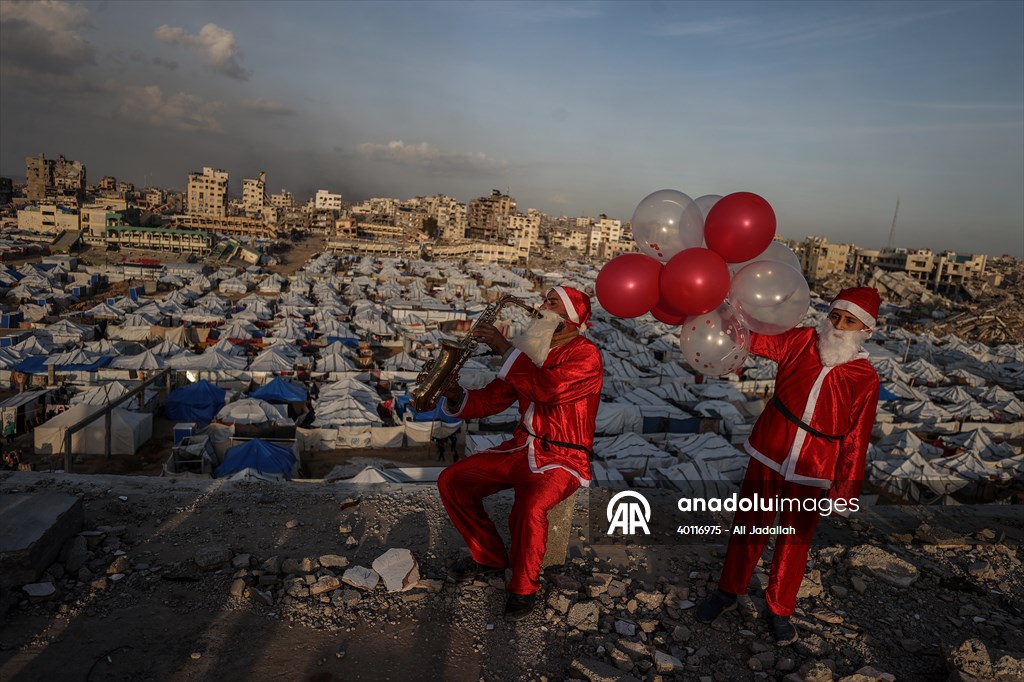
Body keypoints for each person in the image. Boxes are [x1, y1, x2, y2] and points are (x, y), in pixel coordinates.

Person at [695, 287, 881, 646]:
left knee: (795, 541)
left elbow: (858, 436)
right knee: (750, 525)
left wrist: (844, 490)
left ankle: (780, 608)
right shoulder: (800, 342)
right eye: (835, 316)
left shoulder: (865, 377)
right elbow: (758, 340)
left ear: (866, 329)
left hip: (814, 465)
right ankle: (728, 591)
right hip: (771, 449)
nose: (839, 326)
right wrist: (723, 312)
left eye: (849, 321)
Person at [437, 286, 603, 621]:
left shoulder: (585, 355)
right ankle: (489, 557)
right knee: (453, 480)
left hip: (562, 458)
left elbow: (548, 390)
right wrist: (455, 394)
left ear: (570, 318)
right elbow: (492, 400)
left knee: (530, 506)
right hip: (521, 448)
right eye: (544, 300)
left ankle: (524, 588)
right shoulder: (532, 351)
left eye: (551, 303)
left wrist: (502, 346)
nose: (541, 307)